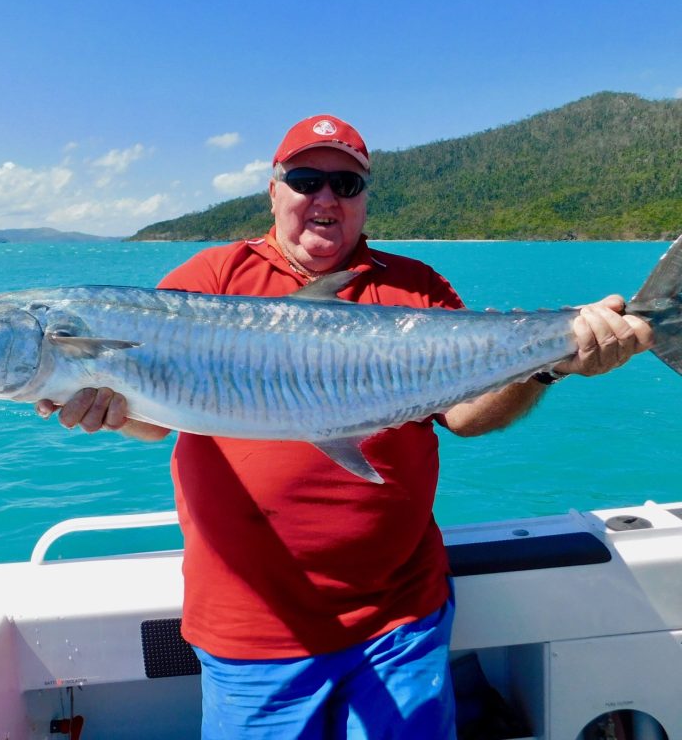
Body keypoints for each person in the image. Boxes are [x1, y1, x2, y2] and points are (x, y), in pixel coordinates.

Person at [36, 115, 653, 739]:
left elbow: (465, 417)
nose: (325, 198)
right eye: (305, 180)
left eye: (346, 184)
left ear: (364, 199)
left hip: (400, 620)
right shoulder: (210, 280)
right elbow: (154, 424)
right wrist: (110, 413)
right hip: (251, 626)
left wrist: (545, 367)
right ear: (273, 191)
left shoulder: (415, 286)